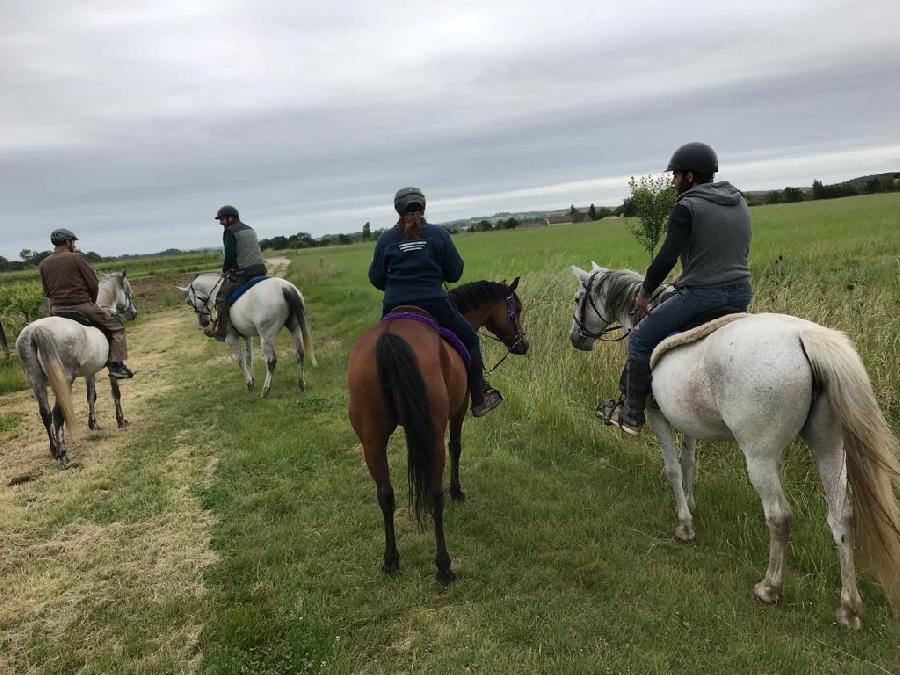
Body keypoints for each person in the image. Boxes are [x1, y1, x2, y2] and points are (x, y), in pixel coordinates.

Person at [610, 142, 753, 434]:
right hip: (741, 293)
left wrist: (646, 292)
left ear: (690, 177)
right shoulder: (738, 200)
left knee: (639, 338)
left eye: (676, 175)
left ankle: (632, 415)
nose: (672, 181)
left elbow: (665, 257)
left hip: (701, 296)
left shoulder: (686, 207)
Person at [368, 187, 503, 417]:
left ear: (397, 210)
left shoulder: (386, 239)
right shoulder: (438, 234)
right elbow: (455, 273)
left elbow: (376, 279)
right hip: (434, 304)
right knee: (470, 338)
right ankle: (479, 394)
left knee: (378, 347)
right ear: (423, 206)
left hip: (394, 306)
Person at [38, 228, 134, 379]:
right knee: (117, 329)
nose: (74, 245)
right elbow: (93, 284)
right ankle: (117, 366)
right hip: (81, 307)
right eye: (73, 241)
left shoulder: (43, 264)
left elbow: (47, 292)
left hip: (57, 310)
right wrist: (91, 300)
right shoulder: (76, 258)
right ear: (68, 242)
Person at [204, 205, 268, 341]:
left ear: (230, 218)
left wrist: (224, 270)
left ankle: (221, 332)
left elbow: (230, 254)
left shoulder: (229, 231)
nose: (220, 222)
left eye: (222, 219)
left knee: (221, 298)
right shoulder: (250, 229)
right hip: (261, 269)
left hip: (244, 273)